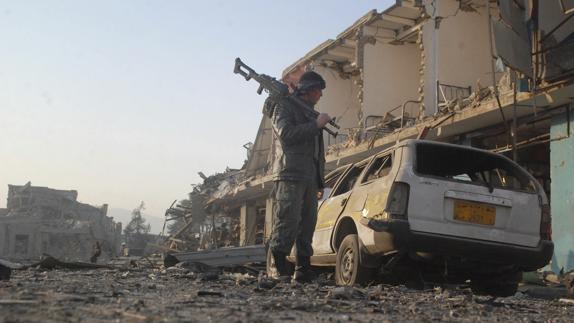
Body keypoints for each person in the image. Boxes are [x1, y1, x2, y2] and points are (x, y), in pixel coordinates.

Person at [268, 70, 331, 283]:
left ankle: (303, 269)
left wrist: (318, 181)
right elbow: (285, 134)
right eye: (318, 90)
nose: (320, 95)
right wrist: (315, 126)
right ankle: (279, 269)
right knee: (287, 220)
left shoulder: (310, 112)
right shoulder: (284, 107)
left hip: (309, 177)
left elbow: (316, 153)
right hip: (290, 173)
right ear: (308, 90)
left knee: (308, 224)